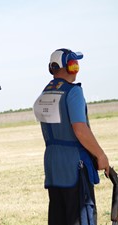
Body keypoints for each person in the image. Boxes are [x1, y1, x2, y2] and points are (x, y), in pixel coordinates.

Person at [33, 48, 110, 225]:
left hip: (53, 168)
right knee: (81, 217)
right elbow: (80, 129)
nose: (76, 69)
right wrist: (101, 155)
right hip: (74, 166)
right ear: (67, 67)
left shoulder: (45, 94)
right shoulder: (73, 92)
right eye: (74, 65)